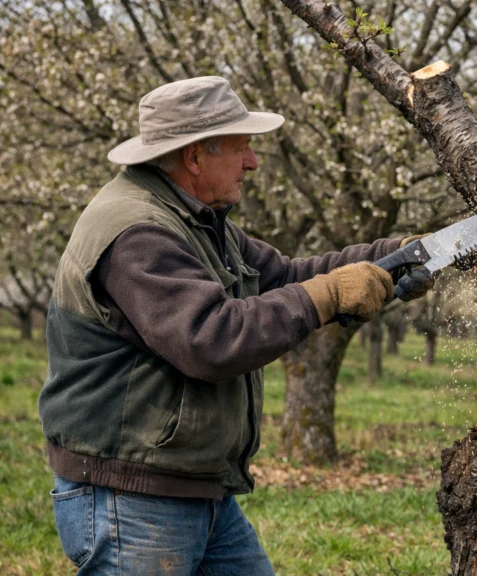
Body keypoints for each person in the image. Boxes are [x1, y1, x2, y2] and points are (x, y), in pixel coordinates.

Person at [37, 76, 432, 575]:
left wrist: (388, 258)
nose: (253, 162)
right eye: (243, 148)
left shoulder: (195, 218)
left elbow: (283, 278)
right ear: (195, 157)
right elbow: (209, 340)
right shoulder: (138, 233)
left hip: (187, 482)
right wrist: (329, 295)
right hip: (132, 494)